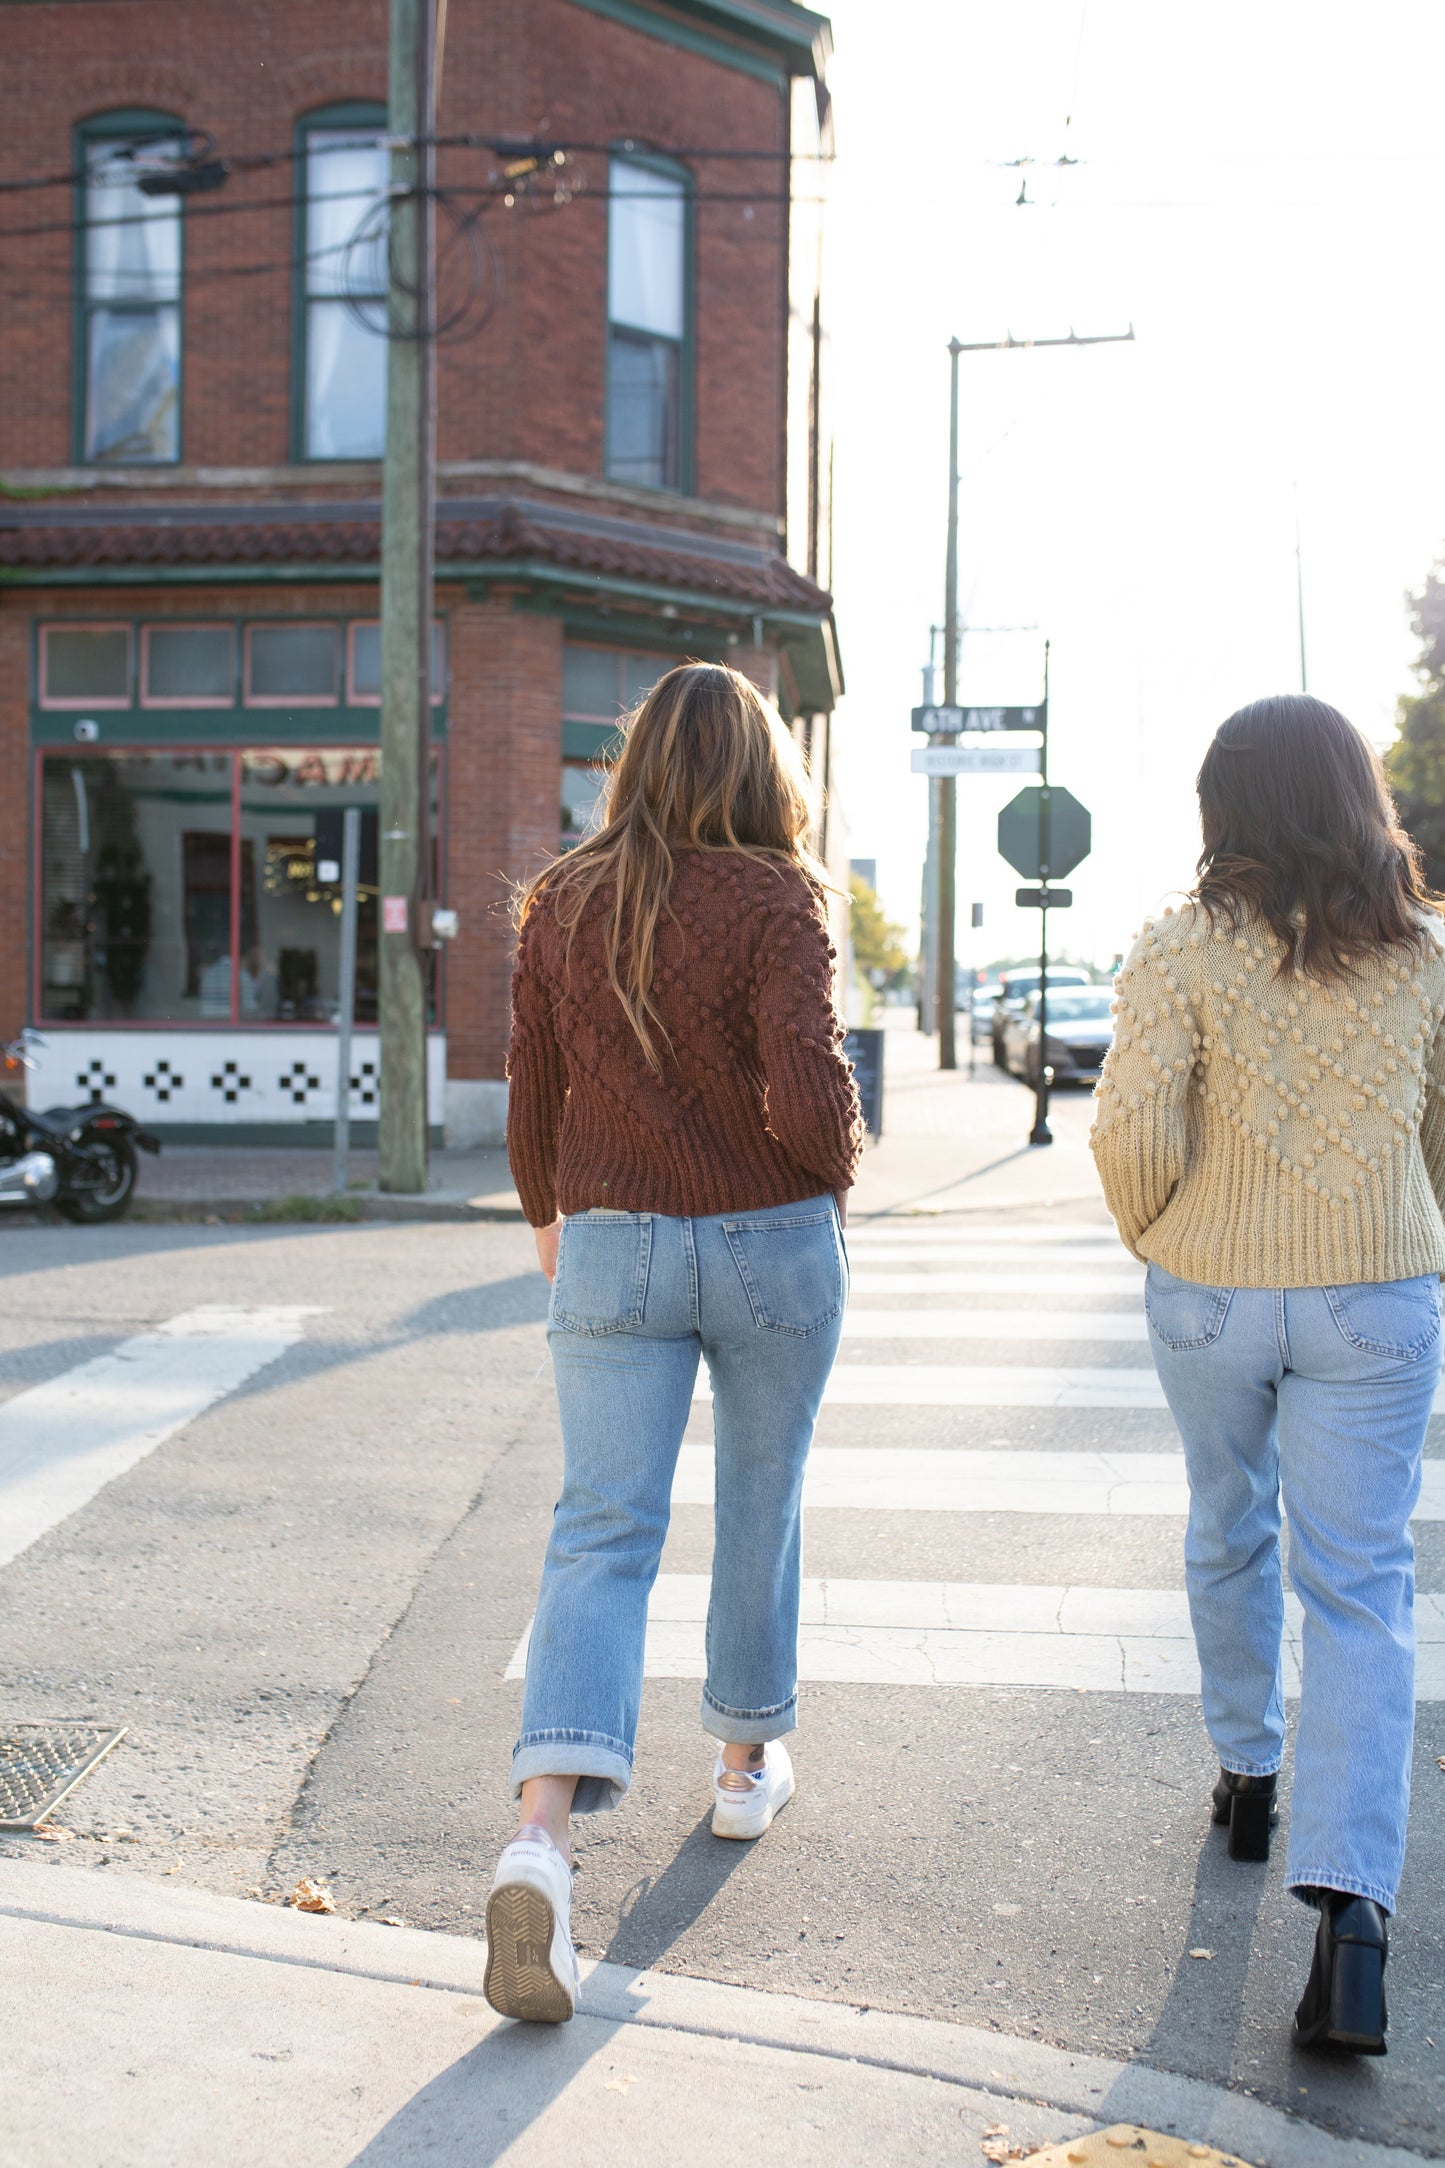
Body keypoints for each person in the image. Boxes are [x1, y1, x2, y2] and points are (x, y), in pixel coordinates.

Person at [484, 662, 863, 2026]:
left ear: (634, 759)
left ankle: (542, 1833)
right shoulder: (777, 895)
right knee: (760, 1503)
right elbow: (807, 1080)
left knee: (599, 1528)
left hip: (609, 1237)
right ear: (762, 767)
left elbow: (531, 1076)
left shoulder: (563, 899)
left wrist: (545, 1212)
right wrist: (833, 1182)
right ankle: (745, 1763)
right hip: (767, 1237)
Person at [1091, 694, 1445, 2057]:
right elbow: (1437, 1132)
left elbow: (1130, 1126)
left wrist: (1162, 1232)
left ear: (1219, 808)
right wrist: (1413, 1245)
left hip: (1210, 1293)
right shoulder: (1420, 956)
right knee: (1356, 1586)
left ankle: (1246, 1770)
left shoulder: (1176, 948)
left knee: (1223, 1523)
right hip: (1376, 1296)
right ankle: (1348, 1920)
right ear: (1358, 801)